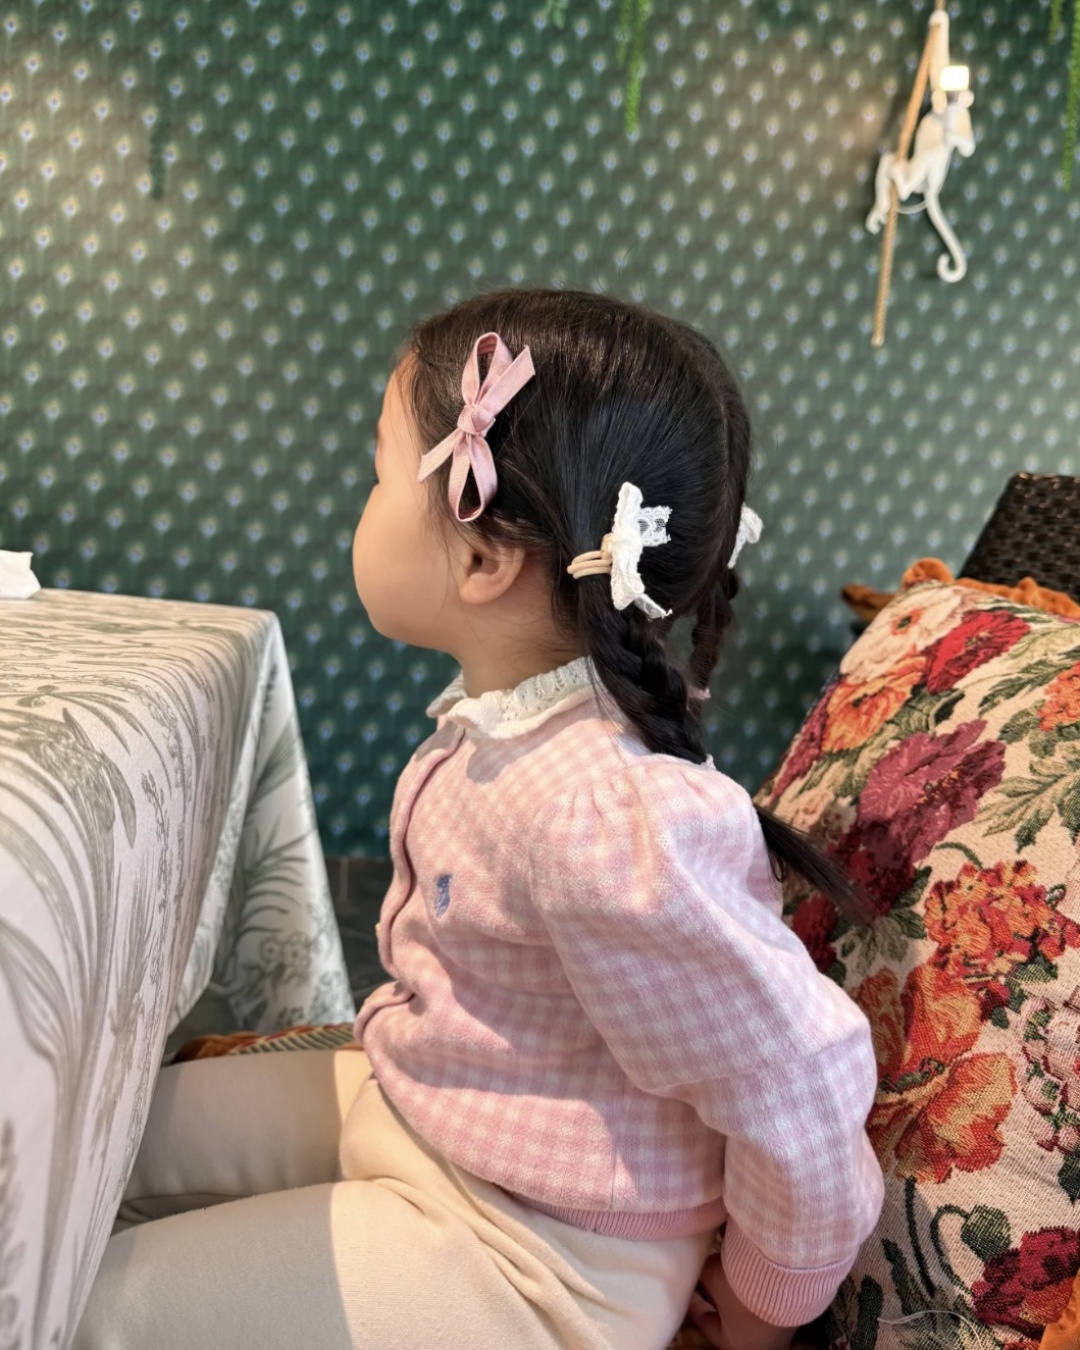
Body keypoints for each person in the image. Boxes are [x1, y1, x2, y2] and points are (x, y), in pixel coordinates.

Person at [75, 287, 884, 1350]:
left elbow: (798, 1079)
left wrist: (760, 1307)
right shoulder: (512, 727)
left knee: (80, 1307)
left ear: (483, 557)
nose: (362, 503)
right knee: (87, 1145)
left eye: (376, 475)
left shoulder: (606, 814)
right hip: (425, 1106)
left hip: (540, 1256)